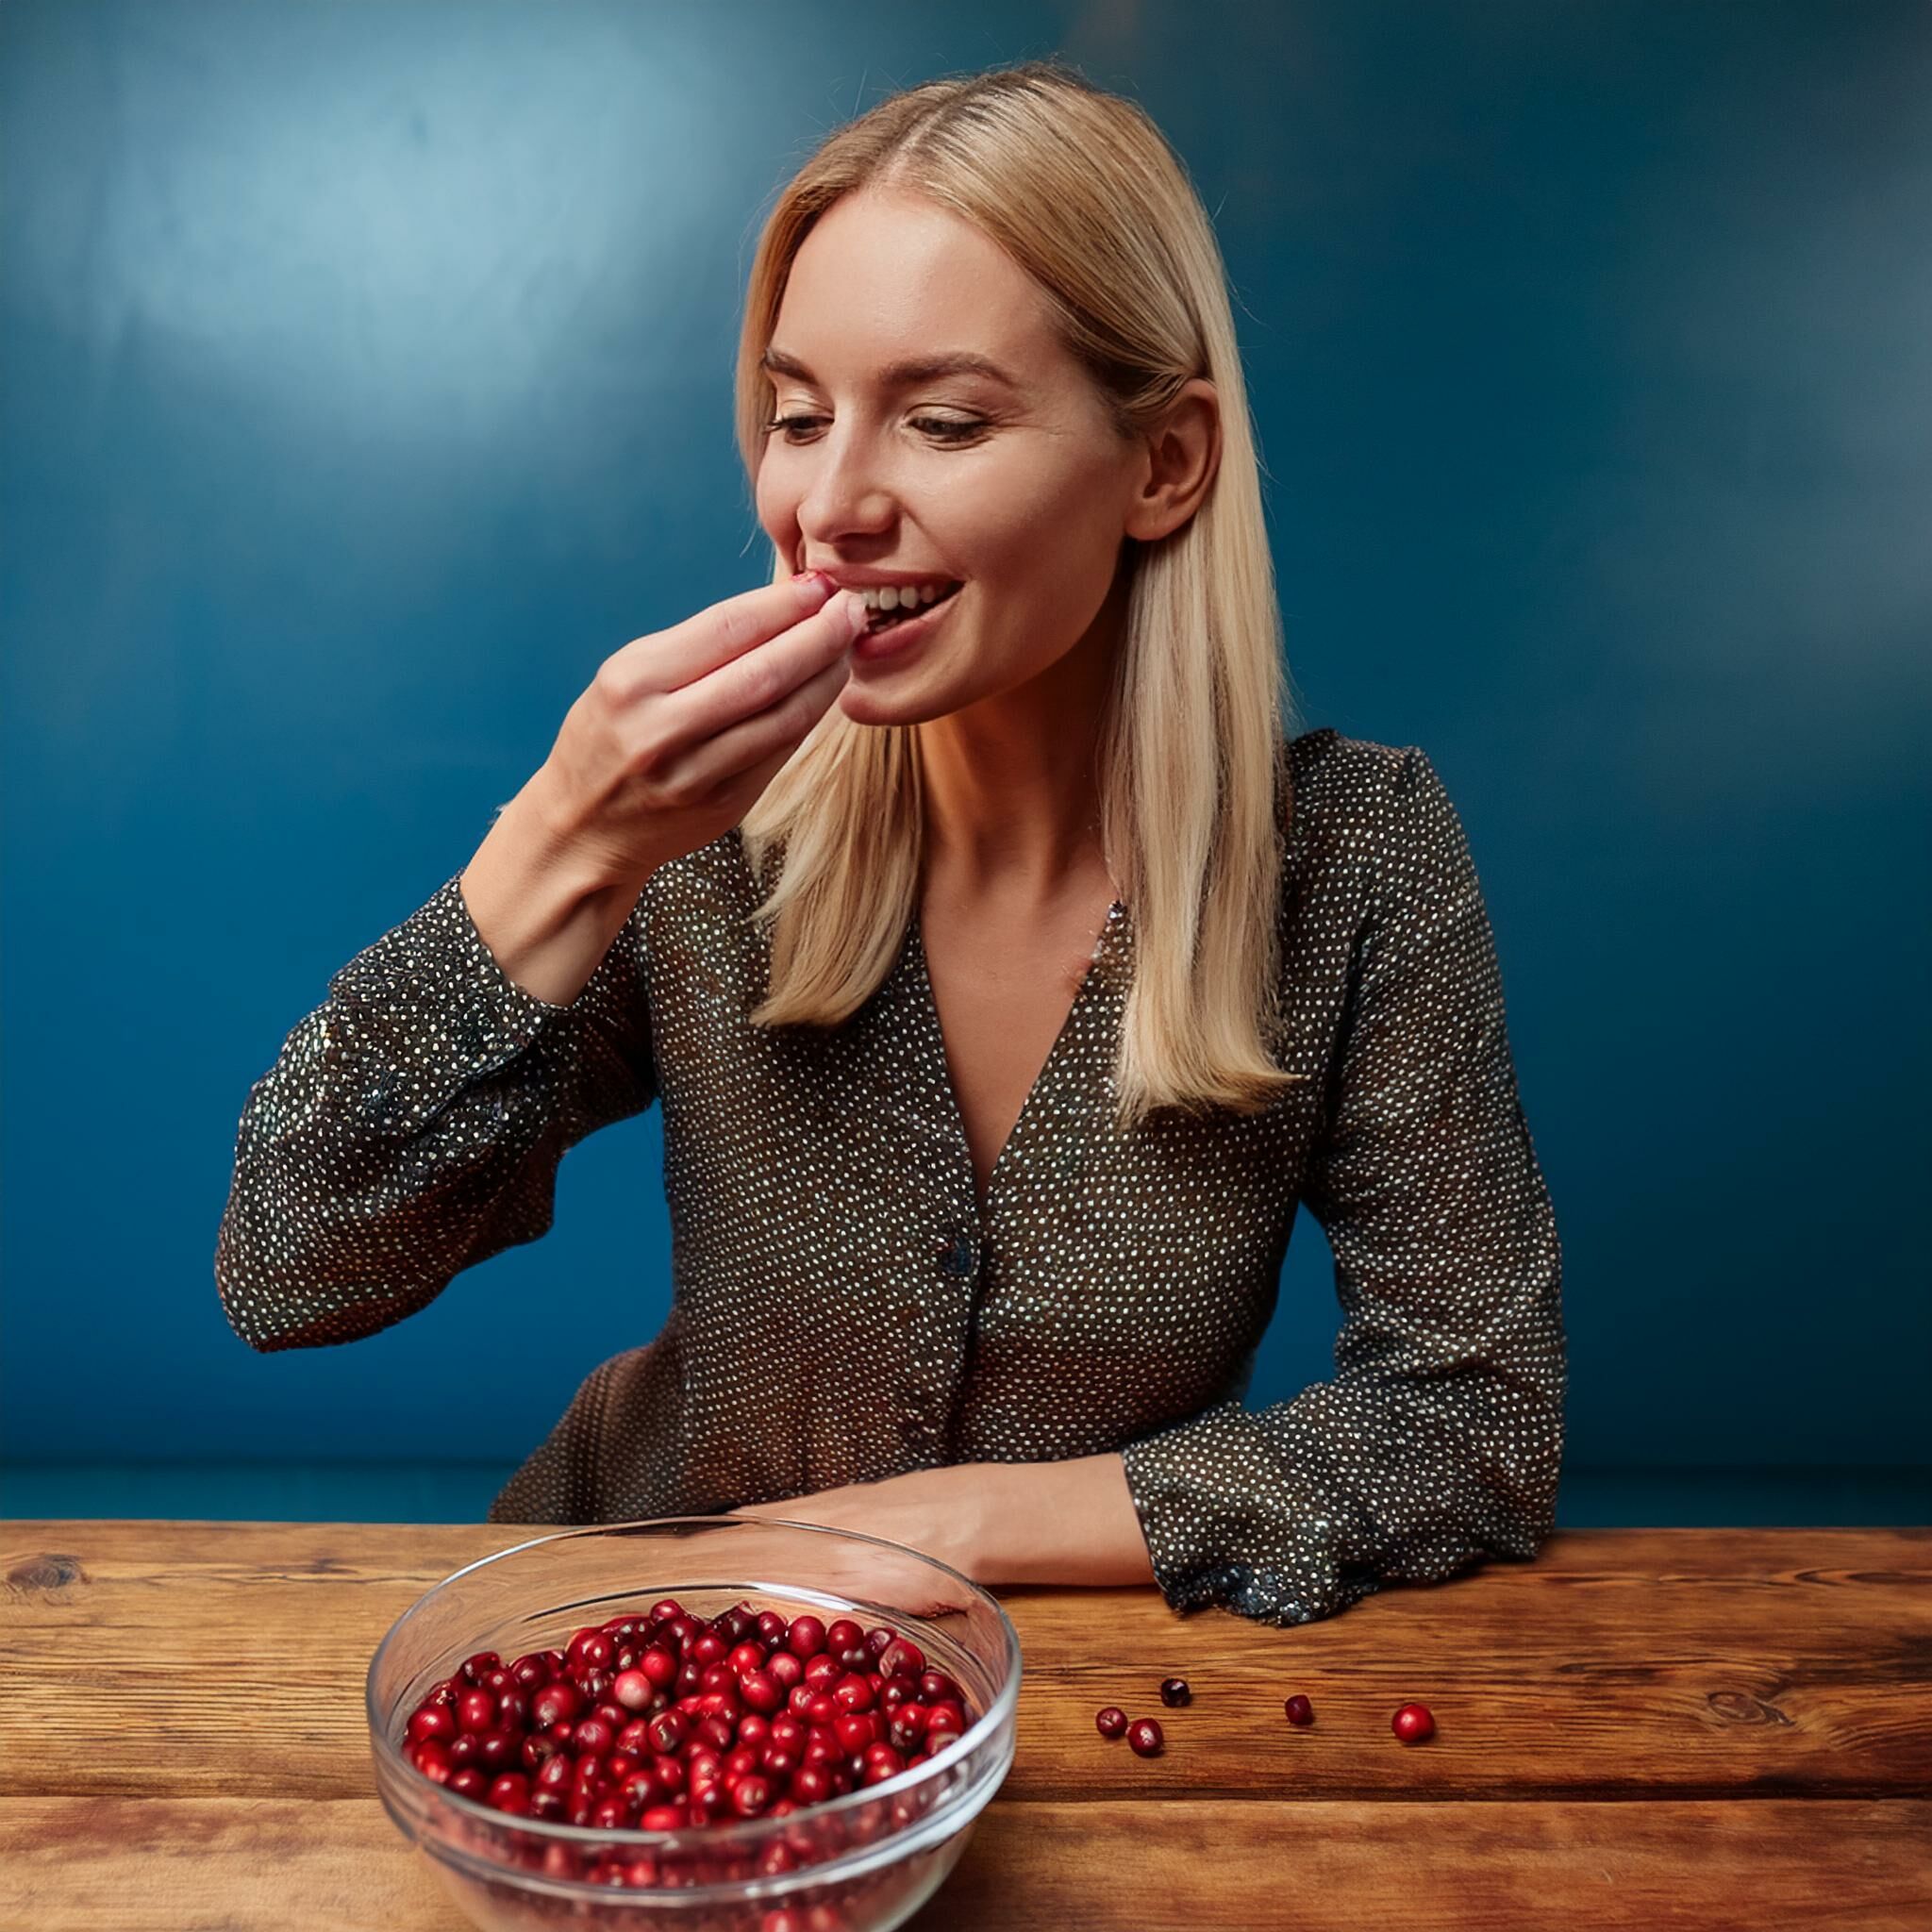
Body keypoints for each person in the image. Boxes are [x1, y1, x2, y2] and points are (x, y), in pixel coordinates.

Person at [214, 59, 1565, 1629]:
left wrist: (965, 1527)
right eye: (796, 417)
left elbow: (1473, 1423)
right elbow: (289, 1266)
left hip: (1058, 1697)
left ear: (1165, 463)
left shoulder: (1356, 861)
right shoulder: (707, 849)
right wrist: (564, 843)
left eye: (939, 419)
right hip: (630, 1641)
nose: (829, 503)